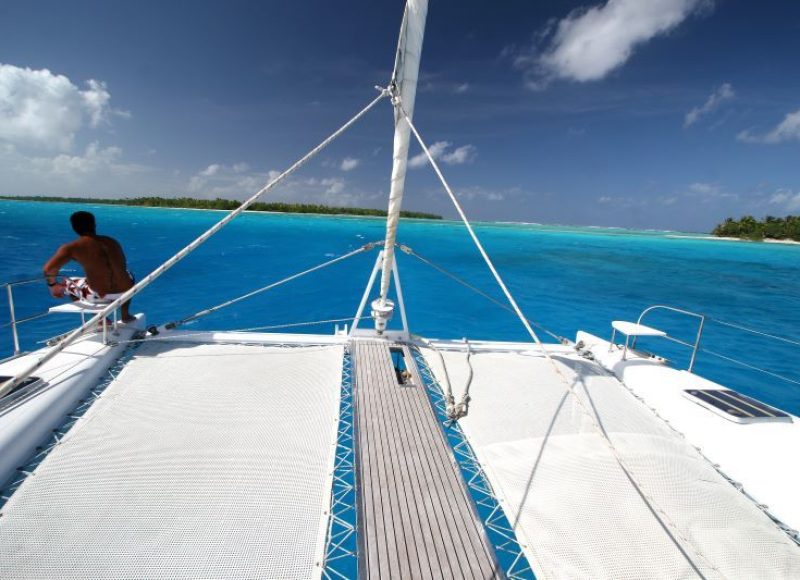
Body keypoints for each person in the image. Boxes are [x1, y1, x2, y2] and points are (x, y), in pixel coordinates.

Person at [43, 211, 136, 322]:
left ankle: (102, 320)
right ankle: (125, 315)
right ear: (94, 225)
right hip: (126, 291)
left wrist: (52, 285)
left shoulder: (71, 247)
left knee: (68, 282)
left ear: (74, 228)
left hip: (101, 295)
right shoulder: (112, 241)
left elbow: (49, 269)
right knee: (128, 274)